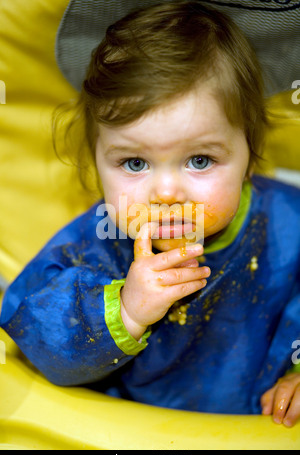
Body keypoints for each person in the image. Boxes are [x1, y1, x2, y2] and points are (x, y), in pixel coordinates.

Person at [1, 1, 300, 427]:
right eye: (135, 163)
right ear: (97, 162)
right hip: (131, 433)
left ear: (250, 156)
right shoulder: (97, 243)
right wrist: (126, 310)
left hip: (256, 428)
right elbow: (34, 338)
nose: (164, 192)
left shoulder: (288, 223)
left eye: (199, 160)